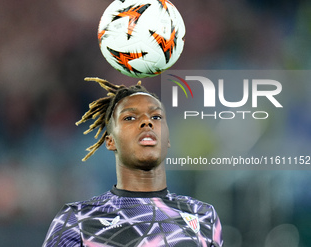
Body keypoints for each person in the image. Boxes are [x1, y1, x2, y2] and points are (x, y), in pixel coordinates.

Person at [42, 77, 223, 247]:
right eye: (130, 118)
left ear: (168, 138)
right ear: (110, 141)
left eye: (156, 117)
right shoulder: (77, 220)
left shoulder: (203, 216)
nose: (146, 122)